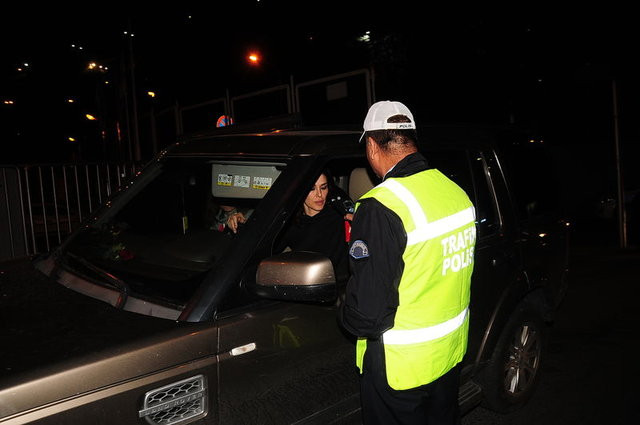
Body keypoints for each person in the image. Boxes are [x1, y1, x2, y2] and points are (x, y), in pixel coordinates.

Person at [340, 101, 476, 425]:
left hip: (400, 369)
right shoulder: (455, 192)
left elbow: (366, 316)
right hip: (447, 357)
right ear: (412, 140)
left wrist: (341, 310)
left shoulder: (380, 207)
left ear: (372, 146)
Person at [277, 171, 350, 281]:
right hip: (301, 283)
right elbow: (268, 250)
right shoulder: (290, 223)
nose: (319, 194)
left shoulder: (339, 216)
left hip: (338, 286)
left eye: (323, 187)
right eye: (312, 189)